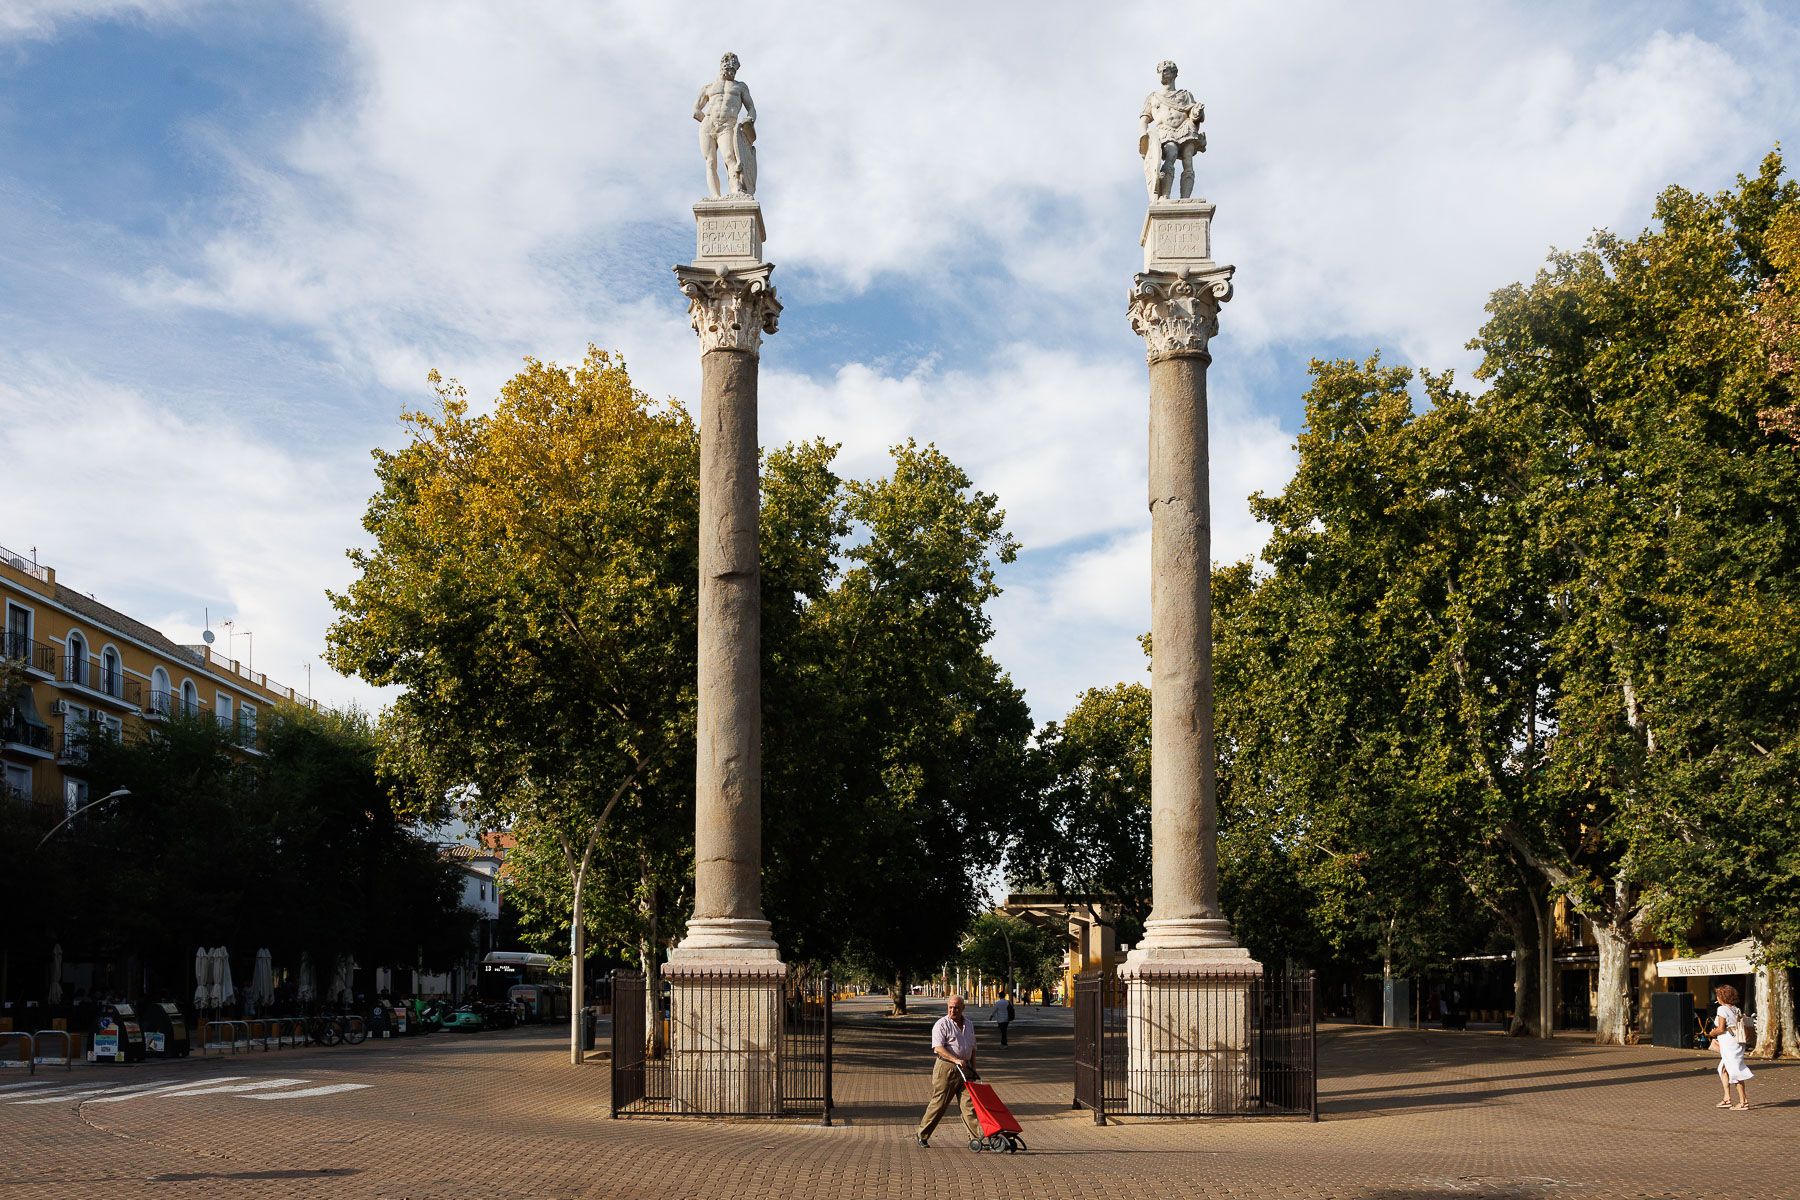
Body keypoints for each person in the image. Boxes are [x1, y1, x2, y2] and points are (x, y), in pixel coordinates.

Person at [914, 993, 982, 1149]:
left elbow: (972, 1048)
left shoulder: (969, 1024)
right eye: (950, 1007)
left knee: (969, 1105)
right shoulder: (941, 1024)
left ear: (963, 1008)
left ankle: (977, 1138)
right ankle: (922, 1134)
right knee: (940, 1103)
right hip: (947, 1068)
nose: (953, 1011)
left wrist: (973, 1068)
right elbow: (938, 1048)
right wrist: (956, 1060)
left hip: (965, 1069)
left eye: (956, 1008)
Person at [1139, 60, 1206, 200]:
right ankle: (1165, 196)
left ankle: (1185, 198)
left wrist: (1197, 112)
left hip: (1185, 129)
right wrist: (1143, 136)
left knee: (1188, 160)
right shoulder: (1153, 97)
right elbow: (1144, 119)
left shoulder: (1185, 95)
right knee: (1171, 154)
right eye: (1160, 71)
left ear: (1174, 74)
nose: (1162, 74)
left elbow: (1194, 115)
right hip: (1165, 130)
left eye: (1166, 70)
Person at [693, 52, 758, 198]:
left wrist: (749, 120)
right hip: (708, 125)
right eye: (729, 69)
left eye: (734, 70)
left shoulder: (740, 87)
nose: (731, 73)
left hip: (727, 125)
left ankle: (736, 192)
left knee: (730, 158)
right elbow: (696, 111)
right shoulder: (708, 88)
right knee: (710, 161)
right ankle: (715, 197)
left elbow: (752, 108)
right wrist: (708, 121)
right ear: (722, 67)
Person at [1708, 984, 1753, 1110]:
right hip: (1736, 1041)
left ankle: (1743, 1102)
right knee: (1723, 1068)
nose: (1716, 997)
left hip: (1729, 1043)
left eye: (1718, 995)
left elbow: (1721, 1028)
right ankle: (1727, 1098)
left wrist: (1712, 1033)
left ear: (1721, 997)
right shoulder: (1735, 1009)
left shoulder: (1721, 1009)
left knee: (1735, 1071)